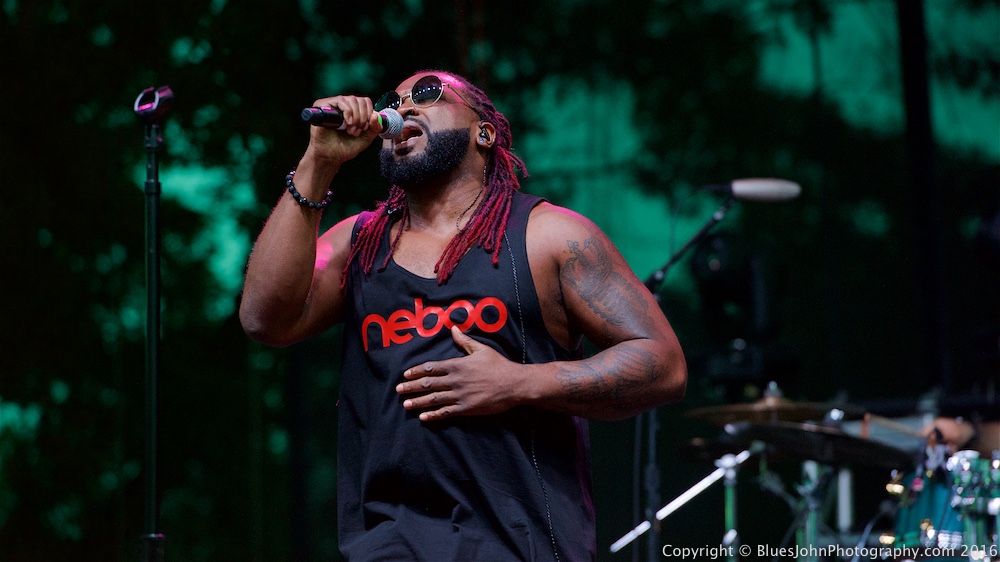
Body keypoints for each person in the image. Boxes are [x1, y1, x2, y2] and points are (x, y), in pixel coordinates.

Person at [239, 70, 688, 561]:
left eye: (428, 94)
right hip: (388, 544)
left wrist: (518, 383)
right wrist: (317, 164)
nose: (404, 107)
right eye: (394, 99)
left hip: (522, 545)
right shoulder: (359, 242)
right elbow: (266, 320)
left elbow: (663, 364)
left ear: (485, 132)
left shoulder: (548, 236)